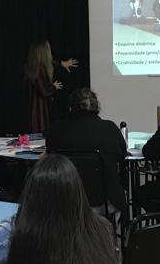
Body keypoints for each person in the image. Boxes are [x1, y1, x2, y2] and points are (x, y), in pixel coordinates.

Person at [44, 87, 127, 216]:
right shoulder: (109, 128)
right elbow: (122, 156)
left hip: (64, 202)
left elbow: (51, 157)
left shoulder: (56, 129)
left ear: (71, 107)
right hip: (104, 203)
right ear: (96, 106)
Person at [25, 41, 77, 133]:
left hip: (40, 111)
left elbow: (52, 62)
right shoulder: (38, 71)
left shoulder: (35, 67)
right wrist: (53, 87)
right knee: (40, 135)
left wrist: (61, 63)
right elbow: (44, 91)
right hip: (38, 114)